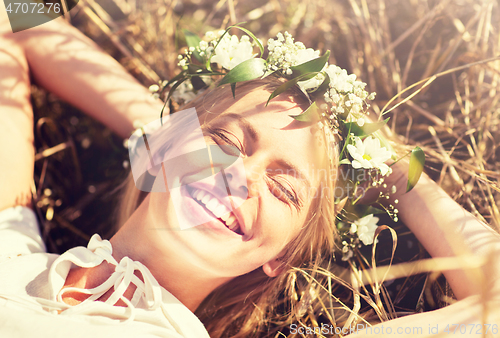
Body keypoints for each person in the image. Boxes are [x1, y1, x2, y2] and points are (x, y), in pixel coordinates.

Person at [1, 10, 499, 338]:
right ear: (159, 150)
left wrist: (394, 168)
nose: (240, 175)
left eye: (284, 189)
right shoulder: (9, 244)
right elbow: (14, 18)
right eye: (227, 143)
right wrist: (172, 134)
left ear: (280, 260)